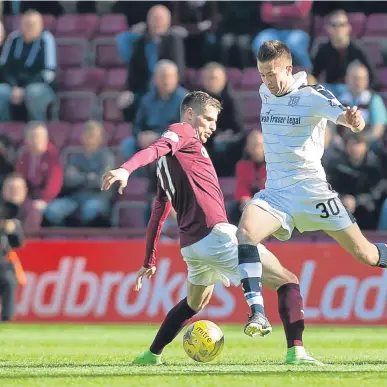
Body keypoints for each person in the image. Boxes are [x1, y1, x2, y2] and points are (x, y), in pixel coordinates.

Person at [101, 91, 322, 366]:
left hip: (193, 247)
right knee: (288, 280)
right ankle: (296, 352)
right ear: (190, 115)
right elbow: (155, 147)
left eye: (215, 121)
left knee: (195, 303)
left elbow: (159, 213)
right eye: (207, 119)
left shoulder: (169, 164)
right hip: (215, 235)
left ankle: (151, 355)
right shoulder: (183, 132)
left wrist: (149, 259)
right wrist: (125, 169)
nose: (212, 126)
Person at [235, 40, 387, 338]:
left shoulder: (311, 95)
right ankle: (258, 314)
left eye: (273, 73)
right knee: (246, 232)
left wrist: (353, 121)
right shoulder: (265, 91)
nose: (267, 80)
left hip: (313, 191)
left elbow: (346, 117)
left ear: (289, 69)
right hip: (276, 192)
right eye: (262, 73)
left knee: (365, 254)